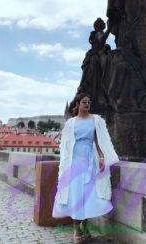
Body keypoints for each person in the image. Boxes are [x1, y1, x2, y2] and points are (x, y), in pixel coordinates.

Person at [52, 93, 119, 243]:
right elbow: (66, 144)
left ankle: (85, 227)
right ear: (77, 104)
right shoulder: (71, 123)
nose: (87, 104)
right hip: (74, 161)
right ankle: (77, 231)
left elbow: (99, 140)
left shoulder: (96, 120)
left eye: (89, 102)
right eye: (84, 102)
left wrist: (102, 157)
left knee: (88, 196)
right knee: (76, 195)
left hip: (90, 160)